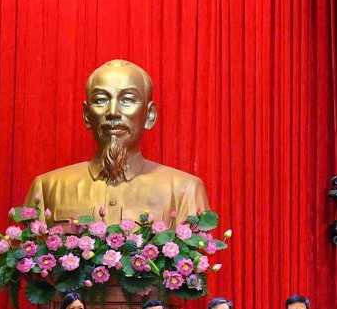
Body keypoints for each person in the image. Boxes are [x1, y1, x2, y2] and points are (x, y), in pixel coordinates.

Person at [24, 59, 208, 225]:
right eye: (100, 100)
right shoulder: (47, 188)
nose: (113, 112)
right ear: (87, 115)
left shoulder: (185, 191)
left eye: (127, 100)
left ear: (149, 115)